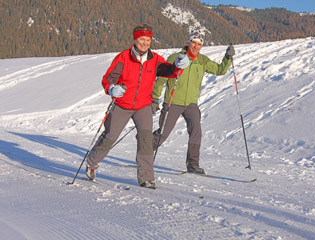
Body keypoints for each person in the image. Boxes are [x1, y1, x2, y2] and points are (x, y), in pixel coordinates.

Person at [85, 23, 190, 189]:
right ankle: (92, 162)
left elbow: (168, 71)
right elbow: (108, 78)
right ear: (135, 39)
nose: (145, 43)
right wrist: (112, 88)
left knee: (146, 140)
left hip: (143, 106)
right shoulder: (123, 58)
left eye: (148, 40)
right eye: (142, 39)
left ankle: (146, 178)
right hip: (122, 104)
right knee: (110, 136)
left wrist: (177, 65)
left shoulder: (154, 59)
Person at [152, 30, 235, 174]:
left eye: (199, 44)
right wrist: (154, 98)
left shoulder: (202, 61)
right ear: (188, 42)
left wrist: (228, 57)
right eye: (194, 43)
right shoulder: (175, 58)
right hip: (173, 102)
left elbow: (220, 70)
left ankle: (192, 164)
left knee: (196, 131)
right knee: (163, 133)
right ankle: (144, 154)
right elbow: (161, 80)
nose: (196, 46)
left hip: (191, 104)